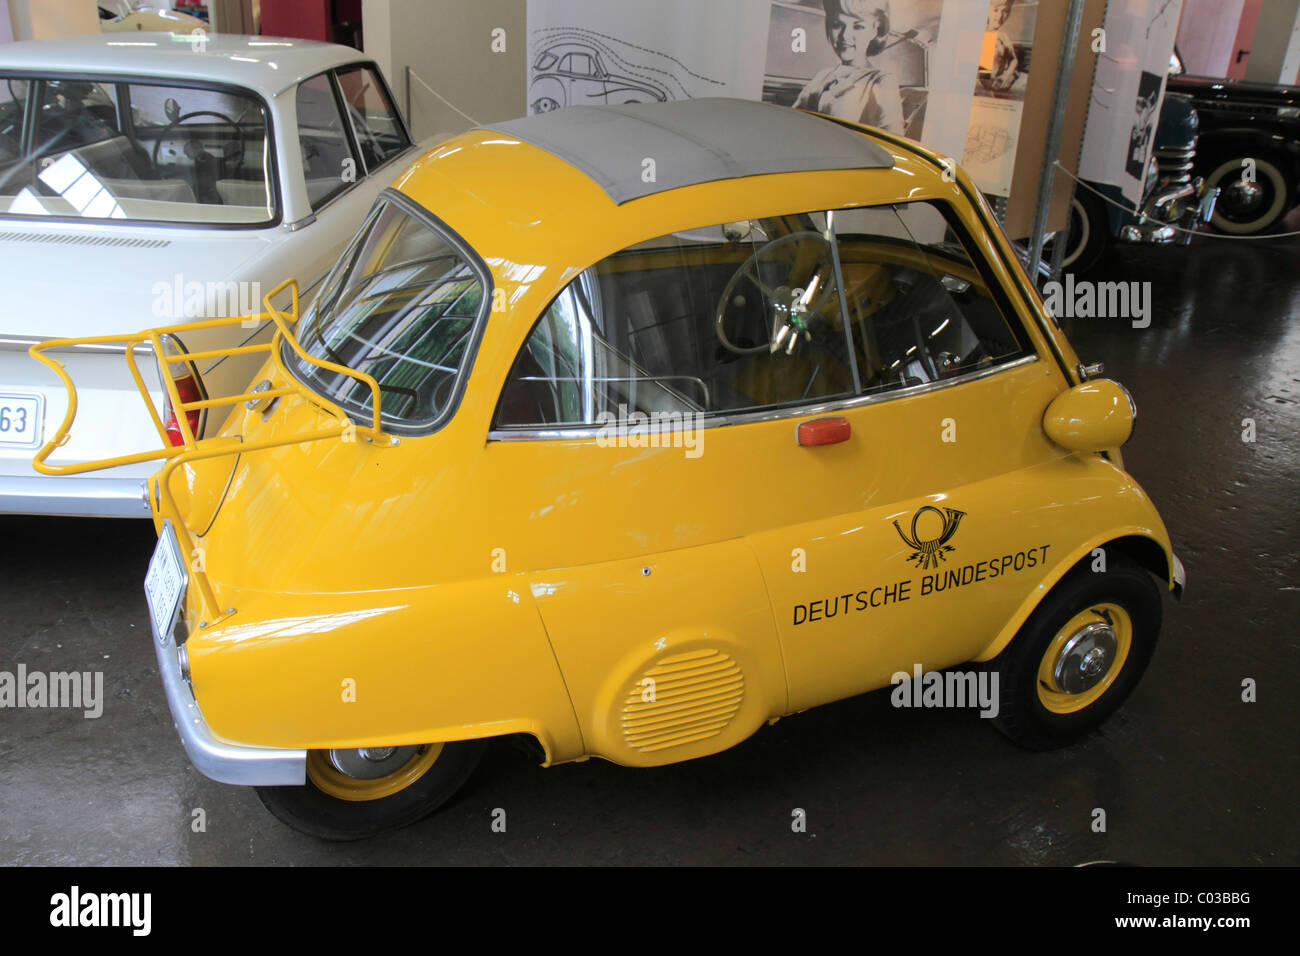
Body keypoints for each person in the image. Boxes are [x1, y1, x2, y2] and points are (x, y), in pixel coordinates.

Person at [794, 0, 905, 134]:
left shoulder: (882, 81)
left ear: (875, 30)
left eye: (858, 27)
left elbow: (892, 142)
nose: (845, 36)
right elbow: (793, 121)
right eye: (837, 25)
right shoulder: (822, 76)